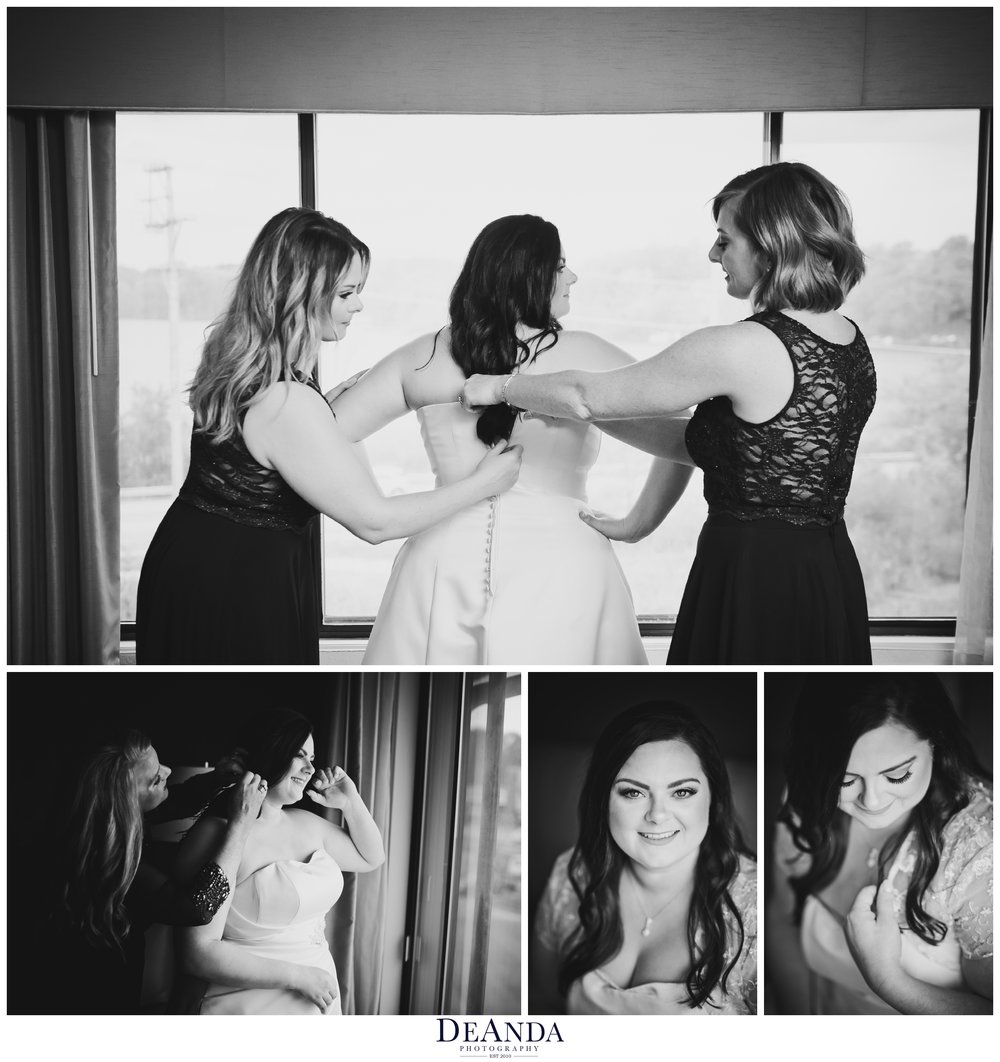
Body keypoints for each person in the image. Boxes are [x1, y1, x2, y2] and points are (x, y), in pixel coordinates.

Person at [462, 163, 876, 664]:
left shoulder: (737, 346)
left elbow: (584, 396)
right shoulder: (849, 340)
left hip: (753, 575)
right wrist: (636, 524)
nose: (714, 254)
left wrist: (499, 387)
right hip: (827, 568)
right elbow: (714, 446)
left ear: (770, 245)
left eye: (724, 240)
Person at [135, 208, 521, 664]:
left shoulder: (243, 360)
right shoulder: (285, 400)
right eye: (346, 293)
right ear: (299, 294)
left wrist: (320, 411)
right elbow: (375, 522)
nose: (358, 305)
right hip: (230, 582)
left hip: (197, 557)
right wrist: (484, 483)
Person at [329, 214, 690, 663]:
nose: (572, 277)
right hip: (564, 565)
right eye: (560, 266)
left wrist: (375, 502)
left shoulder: (421, 357)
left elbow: (326, 437)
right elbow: (687, 432)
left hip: (440, 563)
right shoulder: (586, 355)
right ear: (526, 275)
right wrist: (638, 524)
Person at [767, 675, 992, 1014]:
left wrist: (888, 980)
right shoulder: (808, 800)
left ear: (936, 742)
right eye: (844, 780)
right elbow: (781, 920)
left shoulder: (981, 849)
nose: (871, 801)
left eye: (897, 775)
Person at [533, 702, 756, 1014]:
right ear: (603, 800)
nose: (657, 815)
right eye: (633, 792)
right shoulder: (572, 874)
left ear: (712, 797)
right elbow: (544, 1003)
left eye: (682, 792)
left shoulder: (753, 907)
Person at [174, 708, 385, 1015]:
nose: (310, 768)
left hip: (319, 1002)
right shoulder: (219, 834)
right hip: (252, 1006)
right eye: (299, 755)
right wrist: (300, 977)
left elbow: (371, 857)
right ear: (270, 751)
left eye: (312, 759)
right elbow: (197, 954)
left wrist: (350, 802)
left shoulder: (306, 823)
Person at [54, 731, 266, 1014]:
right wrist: (240, 826)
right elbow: (196, 909)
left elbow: (172, 800)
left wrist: (217, 778)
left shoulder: (104, 817)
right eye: (155, 778)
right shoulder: (109, 862)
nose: (168, 771)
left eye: (160, 763)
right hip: (96, 992)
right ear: (128, 801)